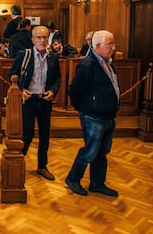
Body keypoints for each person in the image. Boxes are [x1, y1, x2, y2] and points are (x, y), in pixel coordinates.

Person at [65, 30, 120, 197]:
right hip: (93, 117)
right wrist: (85, 109)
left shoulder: (107, 62)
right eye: (110, 44)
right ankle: (73, 178)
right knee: (90, 151)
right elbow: (74, 90)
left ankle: (97, 183)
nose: (114, 47)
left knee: (102, 151)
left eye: (113, 43)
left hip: (108, 116)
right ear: (97, 46)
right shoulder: (87, 65)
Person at [8, 25, 61, 180]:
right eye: (39, 37)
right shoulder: (24, 55)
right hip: (29, 101)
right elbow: (12, 74)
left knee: (45, 136)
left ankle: (42, 166)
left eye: (45, 37)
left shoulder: (53, 57)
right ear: (32, 40)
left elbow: (57, 78)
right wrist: (21, 90)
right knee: (27, 134)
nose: (42, 40)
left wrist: (53, 91)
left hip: (45, 100)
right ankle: (18, 162)